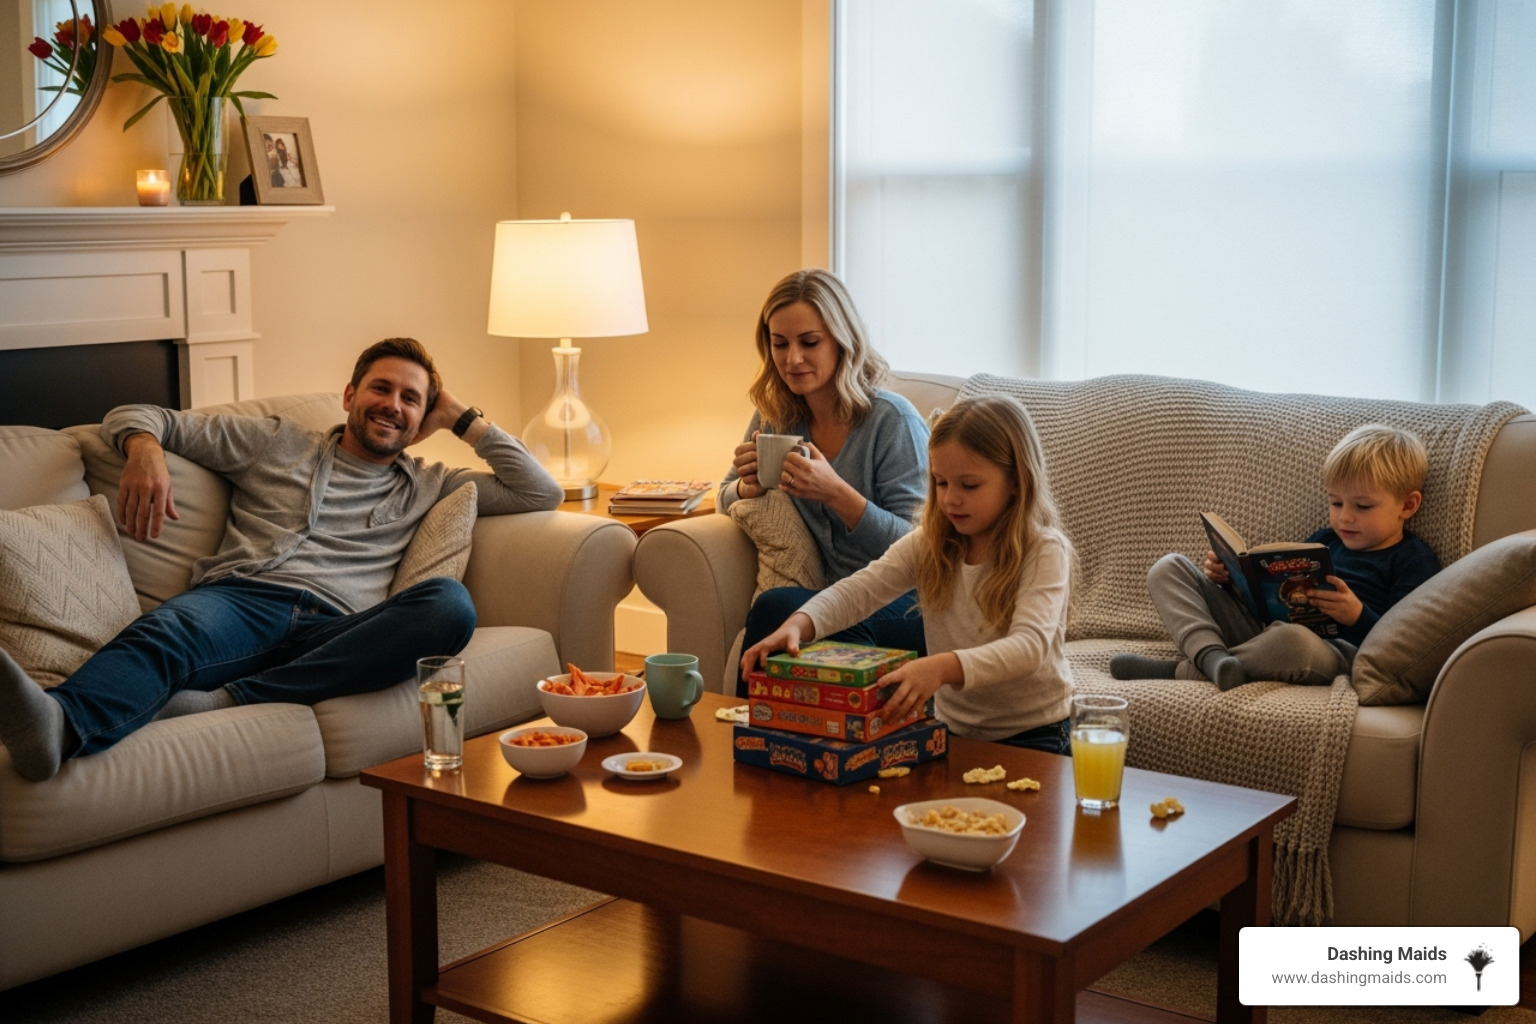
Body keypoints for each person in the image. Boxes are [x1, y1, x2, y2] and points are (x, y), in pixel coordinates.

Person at [0, 338, 565, 782]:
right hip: (239, 604)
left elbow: (540, 492)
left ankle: (232, 699)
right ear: (350, 396)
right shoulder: (276, 442)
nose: (392, 405)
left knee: (448, 606)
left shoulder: (430, 484)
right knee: (167, 630)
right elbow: (138, 414)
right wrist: (144, 451)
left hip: (340, 629)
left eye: (411, 399)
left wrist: (464, 419)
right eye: (381, 388)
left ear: (422, 422)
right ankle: (60, 725)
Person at [741, 396, 1077, 753]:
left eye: (969, 485)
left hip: (1036, 733)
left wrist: (939, 669)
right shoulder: (931, 542)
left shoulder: (1043, 550)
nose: (951, 500)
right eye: (941, 483)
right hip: (954, 729)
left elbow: (1029, 648)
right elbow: (860, 590)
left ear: (1016, 481)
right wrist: (798, 623)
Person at [720, 269, 931, 696]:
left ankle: (747, 729)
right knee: (801, 619)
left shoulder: (892, 422)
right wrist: (749, 487)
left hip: (910, 601)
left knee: (779, 608)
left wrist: (836, 493)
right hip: (834, 595)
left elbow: (923, 546)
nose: (792, 359)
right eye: (780, 344)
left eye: (809, 342)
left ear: (842, 340)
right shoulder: (775, 414)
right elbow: (724, 496)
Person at [1109, 423, 1442, 689]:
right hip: (1262, 629)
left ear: (1408, 505)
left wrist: (1356, 615)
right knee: (1169, 567)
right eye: (1336, 502)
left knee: (1292, 641)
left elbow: (1405, 649)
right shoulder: (1324, 541)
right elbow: (1272, 598)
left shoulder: (1413, 561)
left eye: (1362, 506)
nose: (1344, 518)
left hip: (1330, 651)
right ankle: (1213, 658)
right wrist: (1230, 581)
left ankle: (1183, 669)